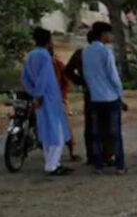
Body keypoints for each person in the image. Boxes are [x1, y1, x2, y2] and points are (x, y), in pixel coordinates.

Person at [20, 28, 72, 176]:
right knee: (57, 133)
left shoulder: (29, 56)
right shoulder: (44, 56)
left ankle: (52, 162)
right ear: (49, 41)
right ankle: (52, 165)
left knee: (46, 131)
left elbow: (24, 79)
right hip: (48, 97)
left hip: (40, 98)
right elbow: (44, 78)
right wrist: (39, 94)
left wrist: (32, 92)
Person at [82, 21, 128, 175]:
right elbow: (113, 76)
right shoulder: (106, 52)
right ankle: (120, 166)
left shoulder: (85, 52)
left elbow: (87, 75)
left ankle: (99, 165)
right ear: (103, 35)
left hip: (94, 97)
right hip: (110, 97)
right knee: (114, 133)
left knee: (96, 132)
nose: (111, 36)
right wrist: (120, 94)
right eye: (109, 34)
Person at [63, 28, 108, 166]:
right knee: (104, 124)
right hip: (105, 92)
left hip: (90, 91)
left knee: (91, 124)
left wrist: (81, 81)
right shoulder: (104, 52)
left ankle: (92, 155)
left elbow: (67, 70)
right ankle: (105, 155)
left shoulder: (81, 53)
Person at [52, 54, 80, 162]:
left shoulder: (57, 65)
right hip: (49, 98)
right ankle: (71, 151)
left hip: (55, 98)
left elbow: (66, 82)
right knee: (64, 124)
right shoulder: (56, 64)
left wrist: (62, 96)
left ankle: (71, 150)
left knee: (64, 124)